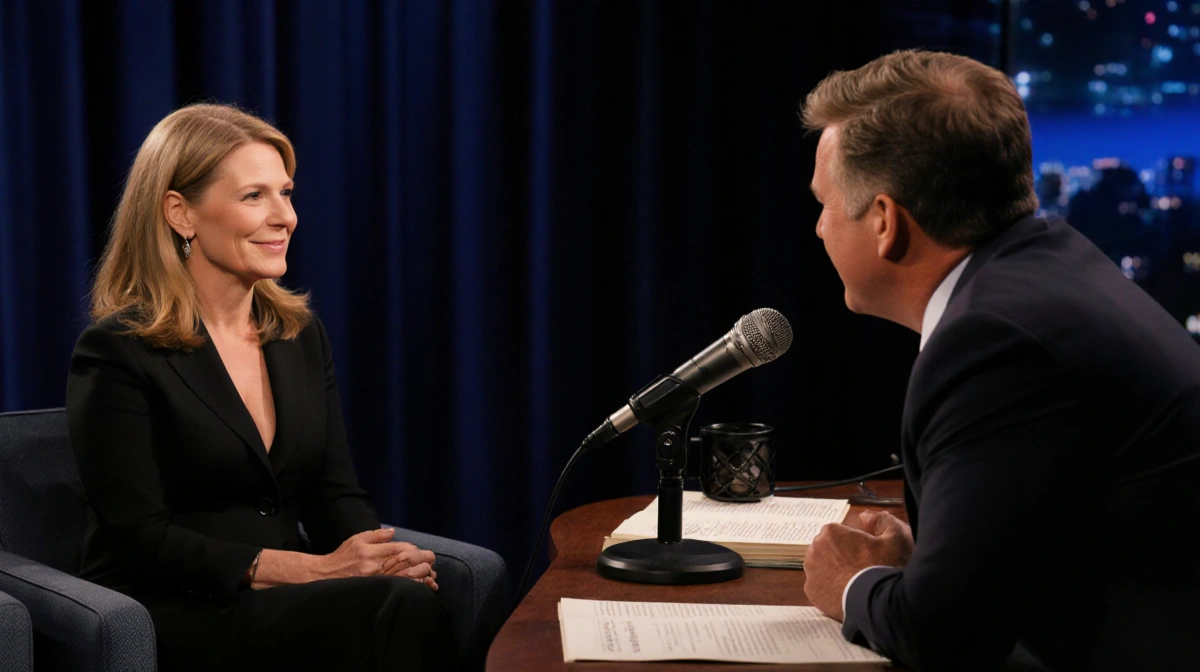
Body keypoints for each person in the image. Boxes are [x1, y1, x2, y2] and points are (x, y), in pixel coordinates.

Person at [797, 50, 1200, 671]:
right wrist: (927, 562)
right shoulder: (1051, 265)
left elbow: (942, 637)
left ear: (885, 222)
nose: (820, 229)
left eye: (824, 204)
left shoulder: (994, 341)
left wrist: (851, 584)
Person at [65, 104, 459, 671]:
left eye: (287, 193)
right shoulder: (119, 349)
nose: (286, 217)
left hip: (288, 598)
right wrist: (315, 569)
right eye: (255, 197)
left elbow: (333, 493)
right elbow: (138, 539)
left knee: (405, 594)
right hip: (176, 607)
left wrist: (378, 556)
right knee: (394, 610)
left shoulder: (298, 334)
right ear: (181, 213)